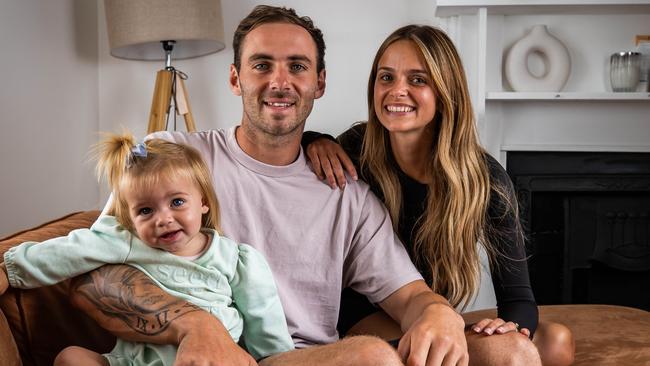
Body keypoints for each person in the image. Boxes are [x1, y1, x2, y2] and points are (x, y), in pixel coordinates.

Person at [66, 6, 543, 366]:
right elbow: (91, 272)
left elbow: (409, 295)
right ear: (235, 78)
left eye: (296, 67)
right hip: (191, 353)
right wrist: (195, 326)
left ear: (320, 83)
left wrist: (436, 311)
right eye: (261, 65)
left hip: (296, 358)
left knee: (506, 354)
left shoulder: (347, 191)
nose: (279, 81)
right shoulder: (170, 156)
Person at [303, 25, 575, 366]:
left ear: (446, 92)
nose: (397, 91)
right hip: (364, 315)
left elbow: (518, 296)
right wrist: (315, 138)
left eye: (418, 80)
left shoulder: (485, 179)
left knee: (555, 342)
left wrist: (510, 328)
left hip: (434, 314)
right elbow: (288, 151)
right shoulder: (356, 148)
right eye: (386, 77)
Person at [0, 133, 294, 365]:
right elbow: (67, 251)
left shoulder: (237, 260)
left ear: (203, 202)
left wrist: (273, 358)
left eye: (177, 202)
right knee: (71, 357)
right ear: (130, 218)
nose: (163, 219)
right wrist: (9, 271)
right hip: (133, 361)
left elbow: (266, 330)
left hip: (204, 359)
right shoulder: (127, 241)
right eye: (145, 210)